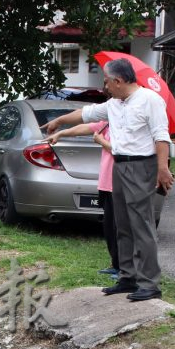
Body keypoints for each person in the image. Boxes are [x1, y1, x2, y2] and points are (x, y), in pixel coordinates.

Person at [42, 58, 173, 301]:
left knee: (141, 225)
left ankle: (149, 283)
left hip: (141, 165)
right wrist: (60, 122)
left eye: (107, 82)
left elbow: (161, 137)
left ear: (119, 81)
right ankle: (127, 277)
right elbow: (85, 114)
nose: (105, 86)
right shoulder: (115, 103)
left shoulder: (150, 100)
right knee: (121, 224)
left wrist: (162, 169)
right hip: (119, 165)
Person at [47, 120, 122, 280]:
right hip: (106, 182)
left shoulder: (125, 124)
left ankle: (125, 269)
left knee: (120, 228)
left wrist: (101, 141)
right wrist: (60, 133)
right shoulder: (107, 122)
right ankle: (116, 264)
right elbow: (84, 127)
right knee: (109, 228)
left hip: (119, 183)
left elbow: (121, 151)